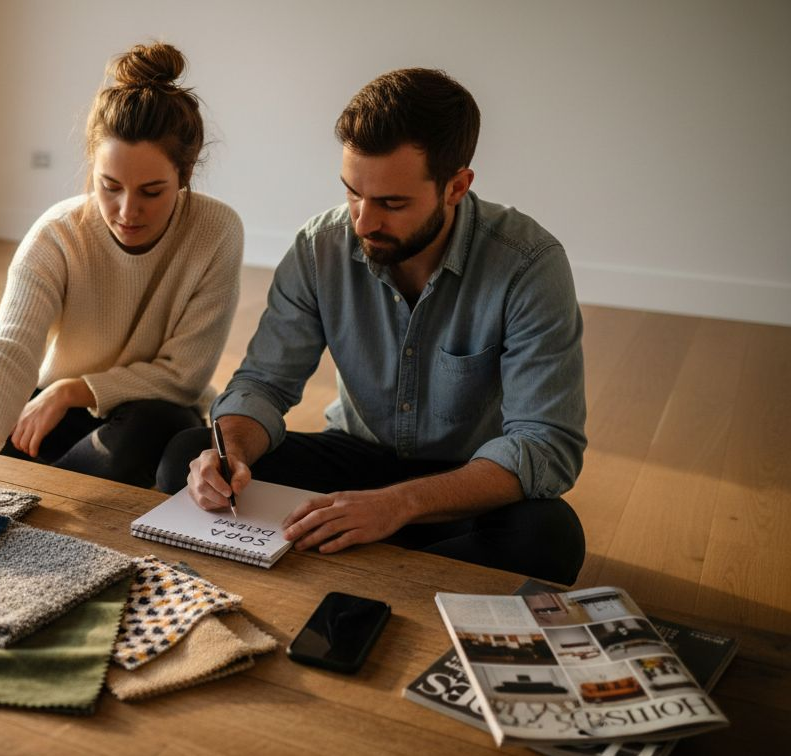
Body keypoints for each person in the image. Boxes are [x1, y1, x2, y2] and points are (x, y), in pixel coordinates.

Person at [157, 68, 587, 585]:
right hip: (355, 459)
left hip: (466, 478)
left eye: (391, 203)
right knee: (187, 456)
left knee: (549, 537)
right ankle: (403, 561)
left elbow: (544, 442)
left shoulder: (527, 264)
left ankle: (366, 550)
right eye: (353, 193)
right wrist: (230, 455)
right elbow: (263, 385)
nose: (362, 222)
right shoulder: (320, 247)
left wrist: (399, 505)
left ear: (456, 186)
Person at [0, 42, 243, 538]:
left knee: (156, 428)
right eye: (109, 185)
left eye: (151, 192)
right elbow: (10, 348)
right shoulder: (58, 233)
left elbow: (184, 375)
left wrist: (73, 390)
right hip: (51, 415)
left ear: (184, 175)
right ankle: (52, 479)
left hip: (141, 410)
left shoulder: (217, 230)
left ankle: (30, 484)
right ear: (91, 169)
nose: (126, 211)